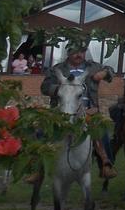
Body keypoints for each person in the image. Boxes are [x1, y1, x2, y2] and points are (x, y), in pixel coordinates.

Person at [40, 43, 117, 179]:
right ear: (68, 53)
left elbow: (111, 71)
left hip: (89, 111)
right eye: (75, 51)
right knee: (42, 131)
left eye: (82, 52)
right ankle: (38, 170)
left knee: (102, 132)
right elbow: (45, 87)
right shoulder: (57, 69)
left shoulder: (92, 67)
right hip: (61, 112)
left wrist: (104, 72)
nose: (79, 55)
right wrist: (58, 90)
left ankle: (105, 164)